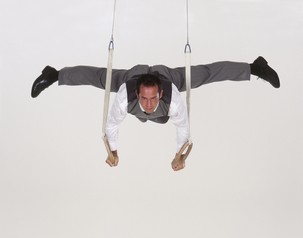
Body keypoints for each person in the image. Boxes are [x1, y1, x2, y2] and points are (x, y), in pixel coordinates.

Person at [31, 57, 280, 171]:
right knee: (102, 78)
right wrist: (113, 152)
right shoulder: (125, 95)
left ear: (159, 94)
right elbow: (112, 125)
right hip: (133, 76)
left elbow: (183, 129)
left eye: (152, 98)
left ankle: (255, 67)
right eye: (144, 98)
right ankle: (53, 74)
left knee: (203, 74)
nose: (148, 104)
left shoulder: (172, 99)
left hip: (165, 76)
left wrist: (179, 156)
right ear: (137, 95)